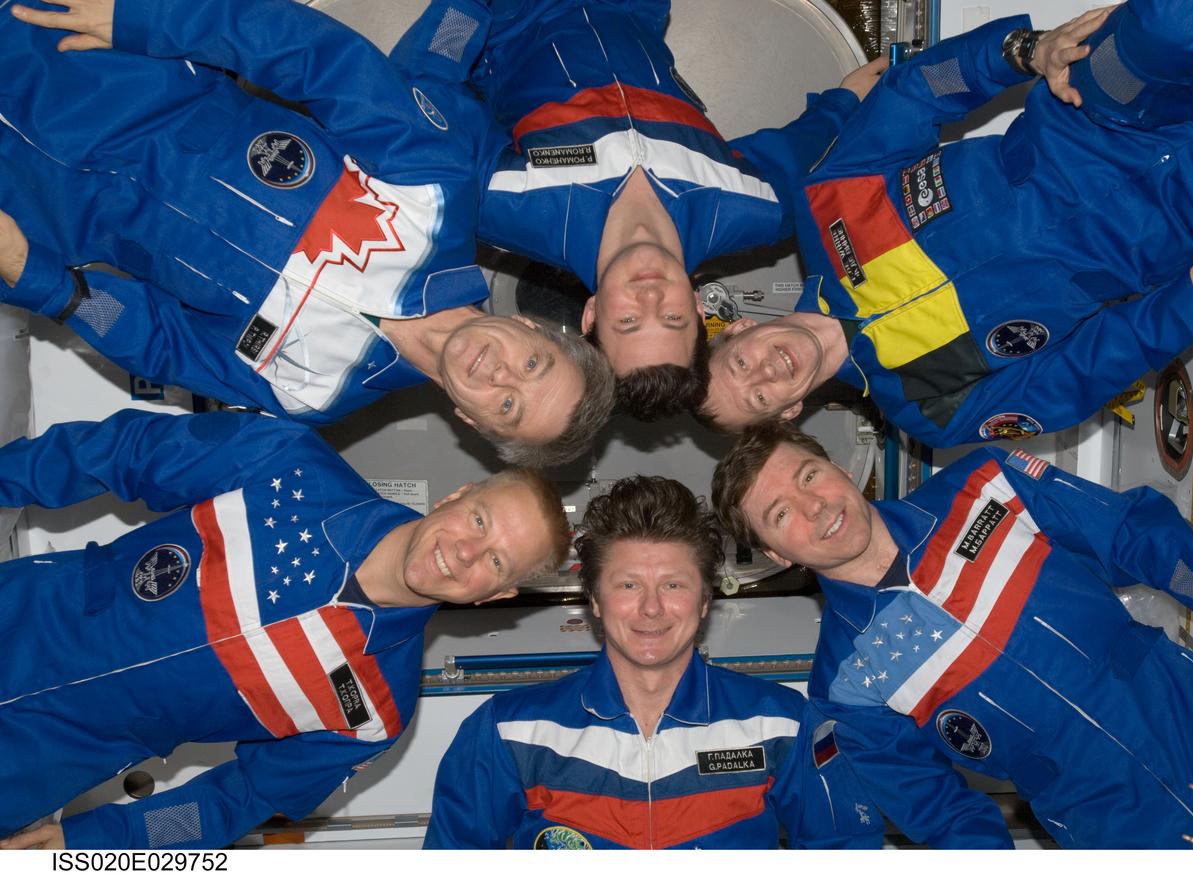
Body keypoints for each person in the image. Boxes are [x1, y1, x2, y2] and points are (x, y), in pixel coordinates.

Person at [2, 0, 615, 467]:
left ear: (473, 423)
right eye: (533, 363)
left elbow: (165, 346)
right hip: (105, 78)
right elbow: (314, 56)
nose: (500, 375)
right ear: (532, 326)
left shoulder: (316, 396)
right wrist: (148, 17)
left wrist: (45, 282)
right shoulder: (436, 195)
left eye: (508, 407)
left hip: (45, 215)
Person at [700, 1, 1193, 445]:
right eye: (758, 396)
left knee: (1176, 21)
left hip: (1097, 111)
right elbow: (1084, 373)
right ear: (786, 412)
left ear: (739, 328)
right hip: (1191, 222)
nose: (768, 371)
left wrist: (1026, 52)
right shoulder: (929, 410)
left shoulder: (826, 207)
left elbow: (915, 94)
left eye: (742, 363)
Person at [0, 409, 573, 850]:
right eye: (479, 520)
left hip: (40, 761)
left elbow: (242, 800)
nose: (466, 552)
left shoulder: (375, 715)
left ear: (498, 595)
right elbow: (122, 451)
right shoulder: (292, 465)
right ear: (455, 496)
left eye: (497, 562)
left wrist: (93, 845)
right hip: (23, 611)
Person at [711, 420, 1193, 848]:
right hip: (1112, 827)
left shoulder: (987, 484)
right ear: (774, 554)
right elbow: (940, 815)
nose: (814, 507)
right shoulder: (843, 689)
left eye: (809, 476)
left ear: (837, 467)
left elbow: (1137, 535)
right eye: (781, 515)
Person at [403, 0, 869, 419]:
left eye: (627, 322)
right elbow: (811, 150)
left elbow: (422, 100)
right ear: (694, 306)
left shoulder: (505, 206)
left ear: (591, 316)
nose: (650, 298)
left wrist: (468, 5)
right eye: (672, 319)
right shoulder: (753, 206)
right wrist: (851, 102)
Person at [424, 475, 884, 849]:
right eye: (627, 585)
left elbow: (845, 846)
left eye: (674, 585)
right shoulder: (506, 731)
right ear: (595, 601)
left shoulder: (782, 723)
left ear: (705, 600)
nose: (650, 608)